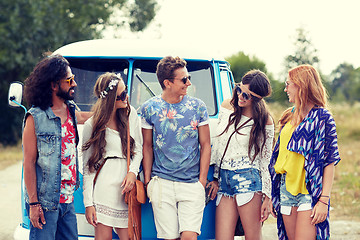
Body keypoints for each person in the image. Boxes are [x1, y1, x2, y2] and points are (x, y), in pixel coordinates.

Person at [140, 56, 211, 240]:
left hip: (191, 183)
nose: (188, 83)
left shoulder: (198, 107)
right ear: (167, 83)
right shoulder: (149, 108)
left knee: (189, 237)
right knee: (170, 238)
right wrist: (148, 181)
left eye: (189, 78)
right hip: (161, 183)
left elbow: (205, 145)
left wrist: (201, 182)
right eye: (184, 79)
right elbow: (147, 146)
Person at [22, 54, 92, 239]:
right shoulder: (35, 117)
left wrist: (113, 104)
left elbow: (88, 116)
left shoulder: (70, 110)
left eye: (74, 79)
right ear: (54, 85)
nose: (74, 84)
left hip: (68, 201)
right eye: (69, 80)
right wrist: (34, 204)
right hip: (45, 203)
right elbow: (28, 163)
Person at [268, 64, 341, 240]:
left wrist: (324, 200)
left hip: (309, 192)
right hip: (285, 189)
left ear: (301, 86)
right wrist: (273, 195)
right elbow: (279, 156)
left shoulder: (323, 118)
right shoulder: (288, 116)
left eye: (288, 84)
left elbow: (329, 162)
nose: (285, 89)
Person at [208, 70, 274, 240]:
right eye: (239, 89)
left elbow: (266, 161)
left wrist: (268, 197)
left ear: (257, 98)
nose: (241, 96)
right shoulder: (226, 106)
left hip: (249, 179)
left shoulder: (264, 119)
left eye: (247, 95)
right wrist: (215, 177)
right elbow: (219, 145)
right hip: (225, 180)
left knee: (252, 237)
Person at [82, 72, 143, 240]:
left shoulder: (131, 114)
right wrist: (89, 204)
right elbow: (88, 168)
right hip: (104, 188)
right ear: (110, 99)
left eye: (126, 91)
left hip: (125, 189)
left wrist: (133, 172)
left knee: (129, 236)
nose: (127, 96)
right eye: (122, 94)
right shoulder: (92, 125)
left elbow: (139, 149)